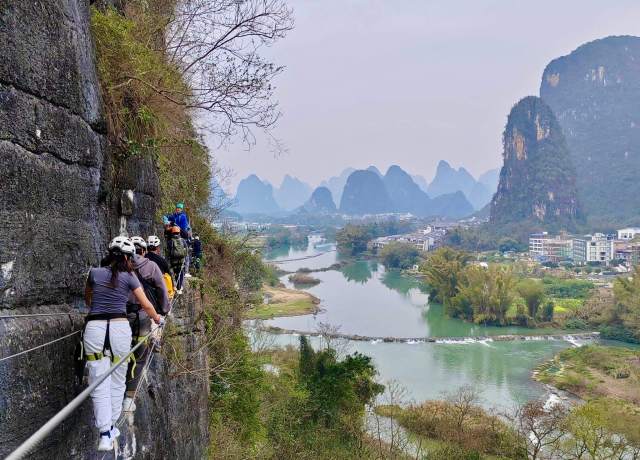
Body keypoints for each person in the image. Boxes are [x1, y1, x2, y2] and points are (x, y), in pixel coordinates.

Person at [84, 236, 162, 452]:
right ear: (128, 258)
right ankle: (111, 425)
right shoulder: (130, 276)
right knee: (118, 378)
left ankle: (104, 433)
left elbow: (88, 301)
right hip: (119, 329)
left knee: (98, 380)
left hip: (95, 329)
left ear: (109, 254)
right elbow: (146, 304)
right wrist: (158, 319)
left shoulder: (94, 273)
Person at [122, 237, 170, 413]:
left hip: (119, 315)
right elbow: (162, 289)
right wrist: (164, 311)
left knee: (119, 353)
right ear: (143, 250)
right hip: (145, 314)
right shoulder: (151, 266)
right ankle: (128, 396)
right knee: (140, 355)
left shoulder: (117, 268)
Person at [146, 235, 174, 299]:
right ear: (157, 247)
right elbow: (168, 276)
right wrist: (173, 287)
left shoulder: (143, 259)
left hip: (145, 291)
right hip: (159, 292)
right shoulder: (162, 261)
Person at [166, 225, 188, 292]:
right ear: (179, 233)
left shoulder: (170, 242)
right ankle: (179, 287)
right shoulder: (183, 241)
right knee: (180, 272)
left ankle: (174, 286)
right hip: (181, 259)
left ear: (172, 233)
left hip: (173, 260)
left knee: (174, 272)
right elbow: (186, 250)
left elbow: (168, 252)